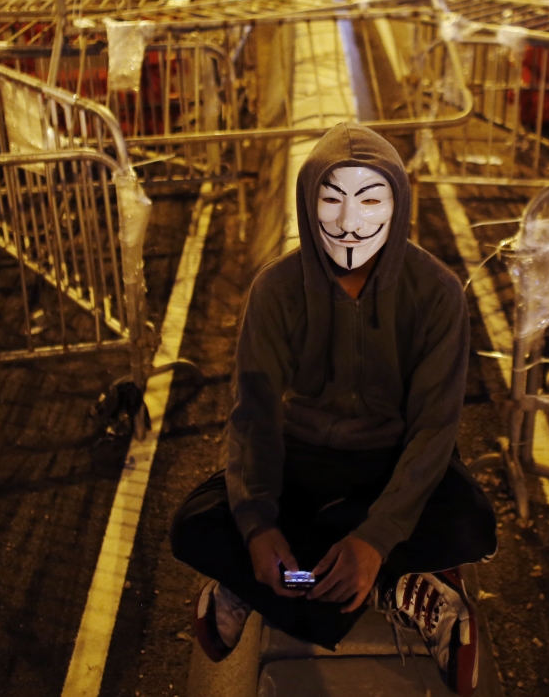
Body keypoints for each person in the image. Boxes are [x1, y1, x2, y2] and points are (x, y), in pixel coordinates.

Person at [171, 123, 494, 696]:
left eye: (370, 201)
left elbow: (433, 430)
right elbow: (255, 418)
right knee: (195, 524)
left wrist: (375, 536)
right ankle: (392, 581)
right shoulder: (275, 290)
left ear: (398, 205)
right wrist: (258, 526)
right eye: (331, 199)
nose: (349, 223)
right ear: (306, 203)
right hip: (304, 464)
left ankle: (264, 585)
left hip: (390, 464)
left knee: (470, 517)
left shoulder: (437, 292)